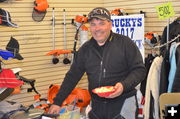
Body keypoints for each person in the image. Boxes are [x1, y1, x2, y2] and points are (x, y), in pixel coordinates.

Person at [48, 7, 146, 119]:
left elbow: (139, 70)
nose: (97, 28)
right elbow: (72, 76)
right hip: (96, 106)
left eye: (101, 23)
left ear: (110, 24)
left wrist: (123, 85)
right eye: (93, 24)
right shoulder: (86, 49)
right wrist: (57, 102)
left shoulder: (125, 44)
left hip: (123, 103)